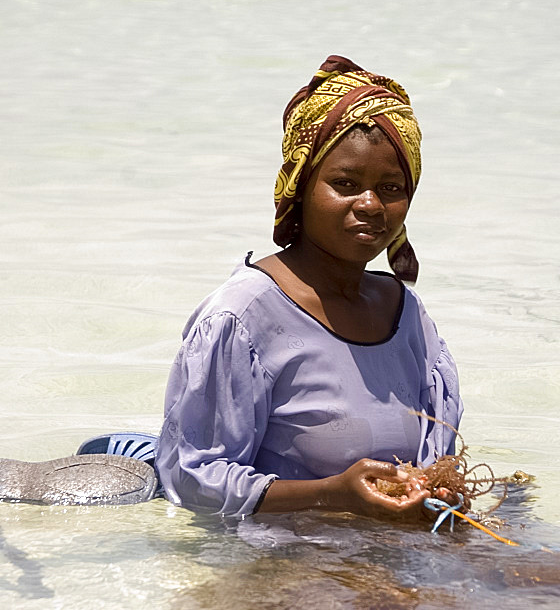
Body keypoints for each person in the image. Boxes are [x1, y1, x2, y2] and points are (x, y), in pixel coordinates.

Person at [153, 55, 463, 521]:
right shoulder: (241, 318)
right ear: (300, 184)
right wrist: (331, 494)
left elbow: (437, 458)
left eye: (391, 187)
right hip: (282, 565)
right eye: (344, 183)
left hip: (393, 556)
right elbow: (191, 477)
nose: (370, 205)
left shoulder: (409, 317)